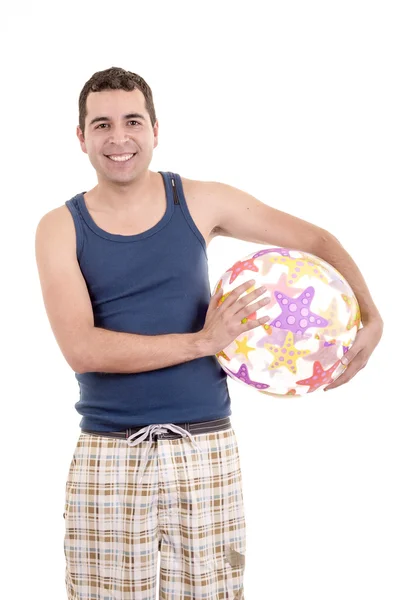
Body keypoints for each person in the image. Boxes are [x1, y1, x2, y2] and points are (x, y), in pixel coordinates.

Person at [35, 66, 383, 599]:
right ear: (80, 138)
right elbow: (81, 348)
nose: (119, 138)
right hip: (108, 451)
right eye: (101, 125)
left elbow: (314, 237)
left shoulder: (197, 201)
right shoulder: (59, 226)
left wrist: (371, 313)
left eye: (133, 121)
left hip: (204, 448)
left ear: (156, 129)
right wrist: (202, 342)